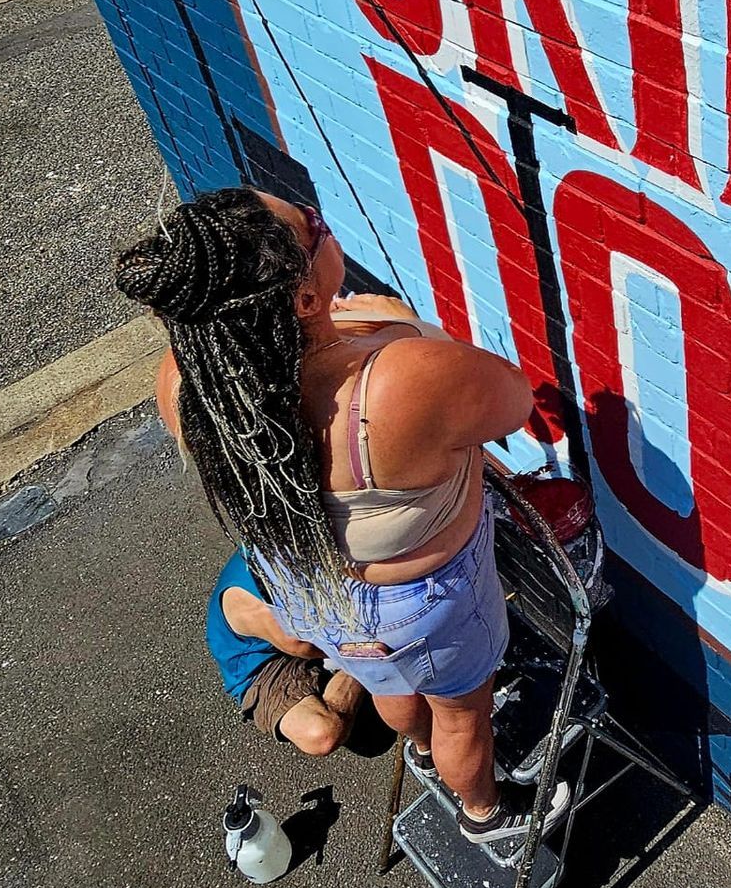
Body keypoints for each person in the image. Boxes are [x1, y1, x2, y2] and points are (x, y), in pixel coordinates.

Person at [118, 187, 567, 847]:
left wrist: (345, 334)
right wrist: (403, 326)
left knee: (388, 677)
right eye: (315, 227)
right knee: (463, 712)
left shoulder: (186, 382)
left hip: (310, 592)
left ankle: (417, 752)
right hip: (422, 603)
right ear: (302, 301)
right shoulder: (396, 382)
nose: (325, 229)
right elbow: (513, 401)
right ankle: (488, 814)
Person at [206, 549, 367, 755]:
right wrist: (370, 651)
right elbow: (300, 645)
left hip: (310, 626)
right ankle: (366, 665)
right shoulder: (255, 606)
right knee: (322, 735)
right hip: (264, 662)